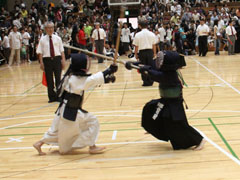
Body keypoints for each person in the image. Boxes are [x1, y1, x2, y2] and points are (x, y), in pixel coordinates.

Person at [33, 53, 118, 155]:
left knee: (55, 130)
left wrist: (107, 78)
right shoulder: (76, 79)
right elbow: (91, 80)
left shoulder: (71, 76)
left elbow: (89, 81)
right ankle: (92, 146)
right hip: (71, 111)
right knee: (92, 122)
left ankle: (39, 143)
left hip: (64, 109)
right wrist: (108, 71)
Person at [125, 51, 205, 150]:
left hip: (174, 104)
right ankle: (154, 127)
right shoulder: (163, 69)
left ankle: (200, 140)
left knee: (180, 125)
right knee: (149, 109)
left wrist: (146, 70)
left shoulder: (170, 75)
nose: (158, 61)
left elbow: (155, 74)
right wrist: (133, 65)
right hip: (165, 101)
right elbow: (150, 65)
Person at [36, 21, 66, 103]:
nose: (50, 29)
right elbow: (40, 52)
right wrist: (41, 63)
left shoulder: (58, 38)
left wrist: (63, 60)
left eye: (52, 27)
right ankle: (51, 97)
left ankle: (59, 96)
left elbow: (62, 51)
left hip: (57, 60)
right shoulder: (42, 40)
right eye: (48, 28)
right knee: (49, 80)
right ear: (45, 29)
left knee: (58, 79)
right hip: (47, 60)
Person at [133, 20, 156, 86]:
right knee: (150, 66)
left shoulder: (137, 34)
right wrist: (154, 53)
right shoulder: (152, 34)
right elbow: (154, 45)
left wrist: (136, 54)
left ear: (140, 26)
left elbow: (136, 46)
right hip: (150, 52)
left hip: (142, 52)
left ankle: (145, 82)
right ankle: (151, 80)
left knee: (142, 67)